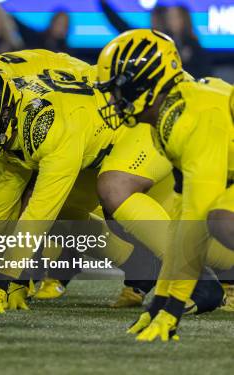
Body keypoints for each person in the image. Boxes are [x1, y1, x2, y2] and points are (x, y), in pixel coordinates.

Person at [95, 29, 233, 341]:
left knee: (222, 220)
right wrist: (160, 301)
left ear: (147, 83)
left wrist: (172, 308)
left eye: (120, 90)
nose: (115, 100)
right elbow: (182, 222)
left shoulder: (192, 117)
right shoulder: (169, 117)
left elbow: (196, 219)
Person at [165, 5, 212, 78]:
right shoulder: (164, 41)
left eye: (174, 17)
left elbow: (205, 71)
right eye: (169, 17)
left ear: (184, 19)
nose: (170, 21)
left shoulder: (193, 44)